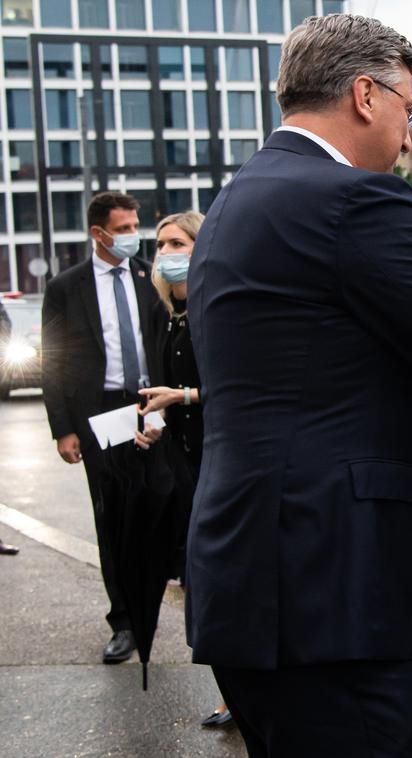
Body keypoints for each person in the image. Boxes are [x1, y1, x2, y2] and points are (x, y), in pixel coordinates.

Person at [184, 15, 412, 756]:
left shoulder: (234, 202)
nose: (410, 134)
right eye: (409, 107)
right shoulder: (356, 202)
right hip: (336, 593)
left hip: (249, 578)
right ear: (366, 94)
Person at [41, 191, 167, 664]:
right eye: (125, 228)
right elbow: (52, 362)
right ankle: (125, 622)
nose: (135, 235)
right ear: (99, 233)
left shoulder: (148, 277)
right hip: (98, 416)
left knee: (160, 508)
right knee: (112, 518)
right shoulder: (65, 287)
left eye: (137, 226)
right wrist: (63, 429)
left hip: (148, 405)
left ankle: (155, 608)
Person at [133, 211, 232, 729]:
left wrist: (185, 396)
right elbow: (162, 386)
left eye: (177, 242)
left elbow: (245, 388)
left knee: (220, 581)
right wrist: (155, 418)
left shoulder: (219, 309)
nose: (166, 252)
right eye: (160, 244)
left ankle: (238, 691)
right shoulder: (168, 313)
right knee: (201, 584)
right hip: (183, 464)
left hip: (223, 461)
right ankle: (233, 687)